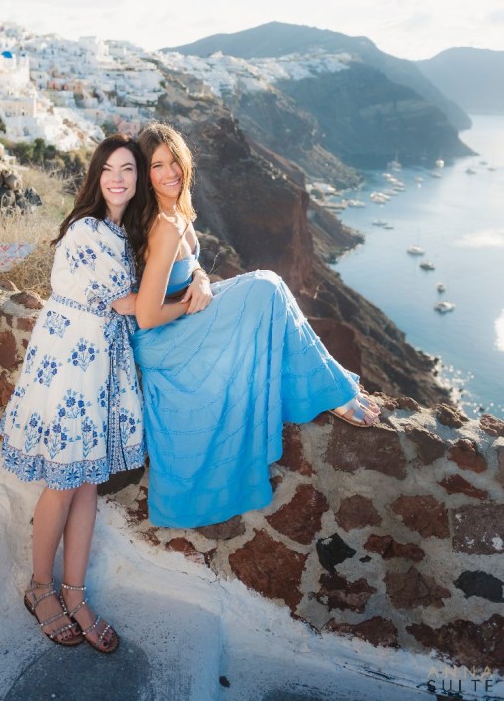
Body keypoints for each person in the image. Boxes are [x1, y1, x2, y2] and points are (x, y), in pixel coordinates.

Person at [131, 123, 380, 530]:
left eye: (174, 160)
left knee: (269, 289)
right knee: (266, 287)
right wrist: (189, 306)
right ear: (145, 172)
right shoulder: (164, 225)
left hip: (178, 321)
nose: (170, 171)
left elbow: (188, 267)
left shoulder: (177, 211)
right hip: (164, 337)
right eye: (157, 165)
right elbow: (146, 315)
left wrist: (199, 280)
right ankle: (331, 391)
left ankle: (329, 383)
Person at [0, 134, 147, 652]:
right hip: (70, 359)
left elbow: (175, 256)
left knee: (86, 484)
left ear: (140, 176)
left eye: (127, 168)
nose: (117, 178)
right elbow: (131, 304)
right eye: (108, 168)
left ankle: (75, 593)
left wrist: (194, 272)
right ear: (95, 175)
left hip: (100, 360)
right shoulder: (86, 229)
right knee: (65, 480)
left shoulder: (128, 233)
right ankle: (40, 587)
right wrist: (188, 304)